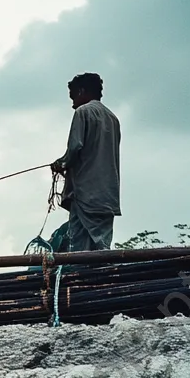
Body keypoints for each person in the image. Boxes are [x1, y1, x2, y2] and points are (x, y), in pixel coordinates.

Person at [52, 73, 121, 252]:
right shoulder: (113, 119)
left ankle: (81, 279)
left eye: (73, 96)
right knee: (102, 246)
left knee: (80, 247)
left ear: (82, 91)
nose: (73, 102)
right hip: (107, 196)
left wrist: (61, 163)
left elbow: (75, 148)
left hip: (85, 194)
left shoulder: (83, 112)